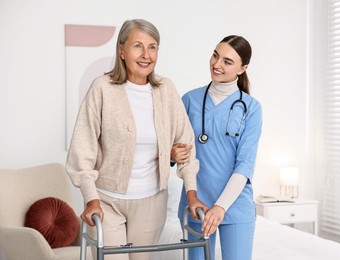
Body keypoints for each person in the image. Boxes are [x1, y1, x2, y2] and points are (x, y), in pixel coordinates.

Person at [65, 19, 205, 260]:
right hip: (107, 202)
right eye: (137, 46)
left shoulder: (166, 90)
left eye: (152, 47)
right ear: (121, 50)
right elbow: (81, 150)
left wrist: (191, 192)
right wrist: (91, 198)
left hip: (152, 203)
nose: (146, 55)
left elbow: (186, 146)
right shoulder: (102, 88)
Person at [172, 35, 262, 260]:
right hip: (196, 206)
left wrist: (221, 207)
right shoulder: (189, 100)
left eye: (227, 61)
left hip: (234, 207)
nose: (217, 64)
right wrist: (171, 154)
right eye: (215, 55)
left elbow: (245, 165)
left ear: (243, 68)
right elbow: (172, 153)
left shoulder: (251, 108)